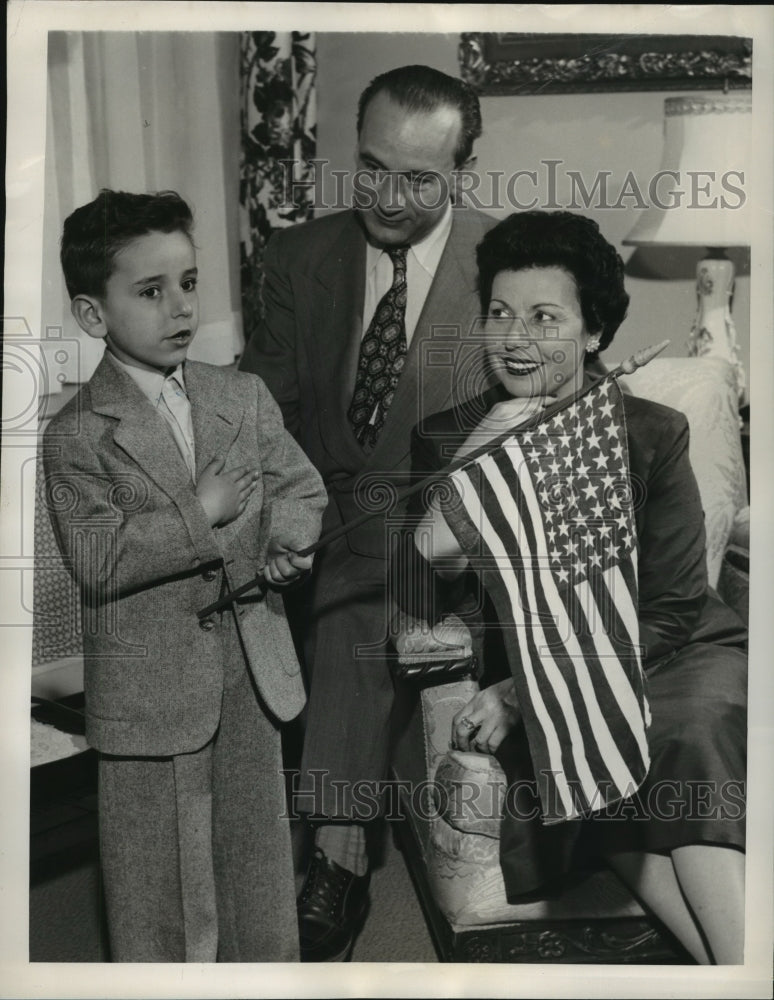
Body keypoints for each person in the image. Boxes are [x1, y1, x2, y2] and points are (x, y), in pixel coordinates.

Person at [397, 210, 747, 965]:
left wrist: (525, 695)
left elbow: (679, 604)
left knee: (684, 735)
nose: (515, 339)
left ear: (593, 333)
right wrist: (487, 446)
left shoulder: (651, 431)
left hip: (672, 653)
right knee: (593, 771)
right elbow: (432, 567)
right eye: (499, 313)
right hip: (549, 671)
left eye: (545, 318)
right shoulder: (449, 435)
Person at [239, 64, 495, 961]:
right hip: (311, 515)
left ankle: (339, 860)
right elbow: (259, 416)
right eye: (373, 167)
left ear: (462, 169)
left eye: (419, 178)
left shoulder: (506, 267)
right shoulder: (293, 260)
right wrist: (276, 514)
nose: (388, 196)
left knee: (367, 588)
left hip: (444, 534)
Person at [44, 189, 327, 962]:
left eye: (190, 283)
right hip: (149, 693)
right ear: (93, 314)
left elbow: (299, 488)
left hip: (250, 673)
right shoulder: (75, 435)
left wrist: (289, 544)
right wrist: (202, 512)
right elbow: (97, 561)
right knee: (164, 896)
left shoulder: (239, 393)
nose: (180, 307)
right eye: (150, 291)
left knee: (257, 877)